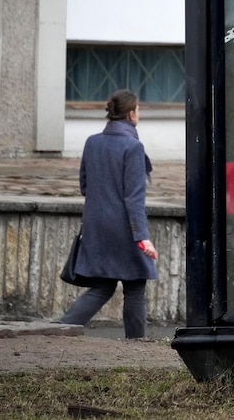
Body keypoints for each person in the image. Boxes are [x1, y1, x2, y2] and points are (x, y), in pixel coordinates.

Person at [59, 89, 158, 339]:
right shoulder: (133, 146)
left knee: (102, 286)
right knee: (135, 287)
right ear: (131, 114)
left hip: (95, 226)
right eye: (139, 110)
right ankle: (137, 343)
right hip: (124, 229)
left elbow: (84, 186)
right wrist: (142, 237)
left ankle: (60, 329)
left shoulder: (92, 142)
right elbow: (134, 198)